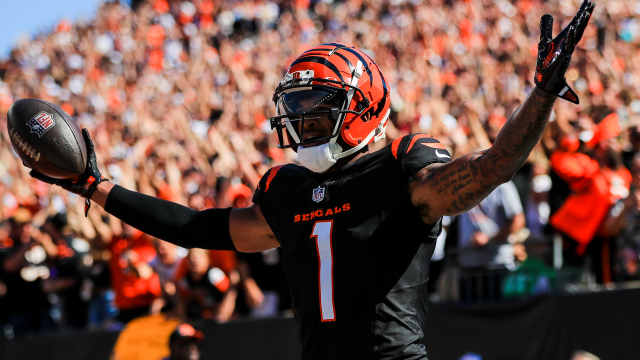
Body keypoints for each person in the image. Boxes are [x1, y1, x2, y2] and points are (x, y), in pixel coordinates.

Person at [29, 2, 594, 359]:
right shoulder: (287, 189)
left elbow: (492, 166)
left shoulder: (401, 166)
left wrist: (540, 95)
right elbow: (197, 228)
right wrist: (95, 186)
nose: (302, 126)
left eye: (318, 112)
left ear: (363, 109)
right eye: (296, 113)